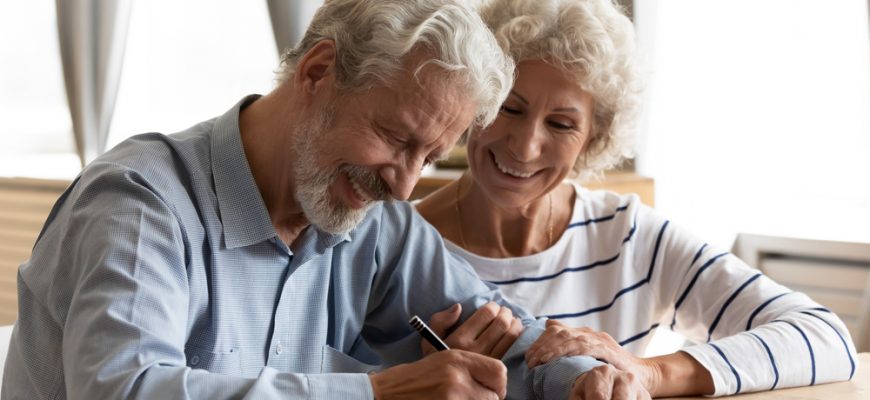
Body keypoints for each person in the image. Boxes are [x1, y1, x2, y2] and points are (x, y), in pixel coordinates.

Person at [0, 1, 636, 399]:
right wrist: (379, 393)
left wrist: (584, 376)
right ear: (316, 73)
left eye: (428, 156)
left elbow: (498, 324)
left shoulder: (370, 218)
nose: (406, 185)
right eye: (394, 138)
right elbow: (123, 391)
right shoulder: (141, 202)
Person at [416, 0, 859, 397]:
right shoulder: (396, 243)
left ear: (594, 138)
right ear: (473, 100)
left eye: (562, 124)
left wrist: (646, 373)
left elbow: (823, 336)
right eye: (510, 109)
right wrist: (419, 378)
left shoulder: (626, 235)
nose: (525, 147)